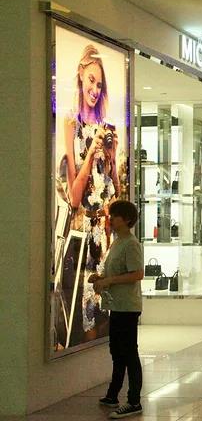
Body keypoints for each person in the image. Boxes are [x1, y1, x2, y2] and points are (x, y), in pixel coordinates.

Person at [63, 44, 121, 346]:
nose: (95, 90)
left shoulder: (107, 128)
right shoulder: (72, 125)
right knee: (88, 303)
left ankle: (107, 358)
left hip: (107, 230)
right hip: (85, 233)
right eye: (91, 81)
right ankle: (87, 358)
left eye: (100, 85)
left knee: (107, 305)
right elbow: (74, 197)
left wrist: (111, 157)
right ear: (80, 76)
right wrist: (90, 155)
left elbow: (117, 193)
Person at [91, 200, 144, 418]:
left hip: (127, 306)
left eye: (115, 216)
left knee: (129, 352)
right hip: (117, 305)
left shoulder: (131, 244)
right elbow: (116, 272)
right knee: (117, 351)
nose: (111, 219)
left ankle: (134, 401)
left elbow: (137, 273)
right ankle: (113, 394)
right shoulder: (117, 242)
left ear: (127, 219)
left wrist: (109, 280)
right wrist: (101, 278)